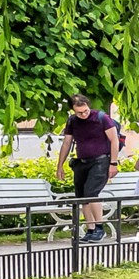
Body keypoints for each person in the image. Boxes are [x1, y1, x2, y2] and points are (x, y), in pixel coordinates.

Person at [53, 93, 120, 243]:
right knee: (82, 197)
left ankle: (99, 227)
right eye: (79, 112)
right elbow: (66, 143)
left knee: (92, 193)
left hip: (100, 160)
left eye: (85, 111)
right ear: (73, 110)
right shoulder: (72, 121)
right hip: (82, 162)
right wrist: (60, 165)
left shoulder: (101, 118)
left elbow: (114, 140)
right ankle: (90, 229)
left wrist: (113, 163)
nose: (83, 114)